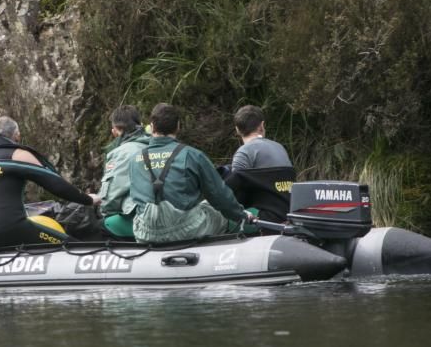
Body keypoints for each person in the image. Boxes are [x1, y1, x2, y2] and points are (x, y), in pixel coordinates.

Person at [0, 116, 99, 251]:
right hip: (11, 231)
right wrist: (88, 200)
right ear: (17, 136)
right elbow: (56, 185)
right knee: (75, 247)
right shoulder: (17, 154)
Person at [129, 103, 253, 243]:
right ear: (178, 126)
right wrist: (241, 215)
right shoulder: (193, 155)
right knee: (217, 213)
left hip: (146, 232)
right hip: (187, 231)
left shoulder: (134, 160)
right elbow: (219, 195)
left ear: (151, 127)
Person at [223, 105, 295, 223]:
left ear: (237, 129)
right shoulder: (280, 147)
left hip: (264, 217)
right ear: (262, 125)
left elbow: (233, 193)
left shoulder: (244, 152)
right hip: (288, 213)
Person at [99, 105, 151, 239]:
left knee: (95, 226)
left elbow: (112, 196)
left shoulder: (121, 153)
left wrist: (102, 213)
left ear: (116, 130)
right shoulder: (156, 145)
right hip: (169, 216)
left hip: (141, 220)